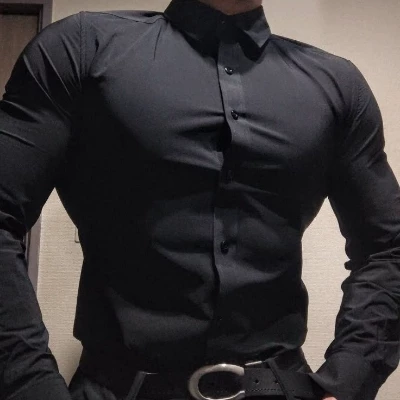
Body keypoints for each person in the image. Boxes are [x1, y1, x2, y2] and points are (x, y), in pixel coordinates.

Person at [0, 0, 399, 399]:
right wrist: (32, 387)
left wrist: (347, 383)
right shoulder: (82, 48)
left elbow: (388, 247)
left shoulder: (337, 84)